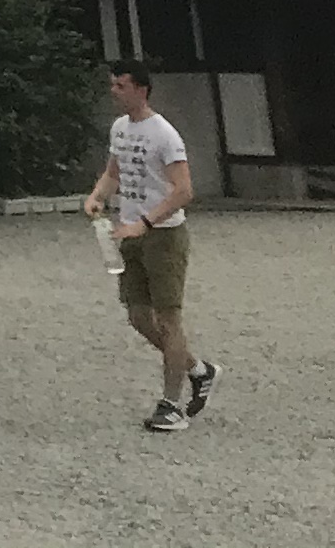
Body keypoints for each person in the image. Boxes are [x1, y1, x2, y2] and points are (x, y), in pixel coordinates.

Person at [82, 65, 214, 432]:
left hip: (163, 236)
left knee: (169, 321)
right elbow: (114, 172)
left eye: (121, 85)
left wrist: (146, 222)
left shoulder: (164, 135)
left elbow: (184, 190)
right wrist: (97, 196)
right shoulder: (120, 129)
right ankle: (198, 370)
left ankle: (172, 405)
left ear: (142, 90)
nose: (114, 91)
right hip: (129, 234)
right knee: (139, 316)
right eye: (112, 85)